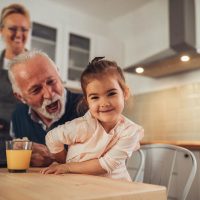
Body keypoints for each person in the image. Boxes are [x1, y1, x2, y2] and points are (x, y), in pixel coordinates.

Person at [41, 57, 144, 181]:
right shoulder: (81, 126)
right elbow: (52, 138)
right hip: (80, 186)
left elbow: (107, 164)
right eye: (95, 97)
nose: (104, 103)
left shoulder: (130, 131)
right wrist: (64, 163)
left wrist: (68, 167)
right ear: (87, 102)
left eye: (111, 93)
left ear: (125, 93)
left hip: (118, 189)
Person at [8, 50, 85, 167]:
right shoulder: (17, 115)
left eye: (51, 81)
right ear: (21, 97)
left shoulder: (89, 106)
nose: (49, 94)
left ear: (58, 74)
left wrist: (55, 158)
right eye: (36, 90)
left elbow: (108, 163)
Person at [0, 3, 30, 135]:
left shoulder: (41, 67)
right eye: (12, 28)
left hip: (28, 141)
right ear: (1, 30)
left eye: (24, 29)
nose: (18, 34)